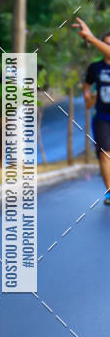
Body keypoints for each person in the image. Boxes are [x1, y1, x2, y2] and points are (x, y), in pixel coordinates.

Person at [77, 21, 110, 204]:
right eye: (105, 43)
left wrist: (90, 38)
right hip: (103, 117)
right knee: (104, 154)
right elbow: (87, 87)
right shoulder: (95, 68)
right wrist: (89, 97)